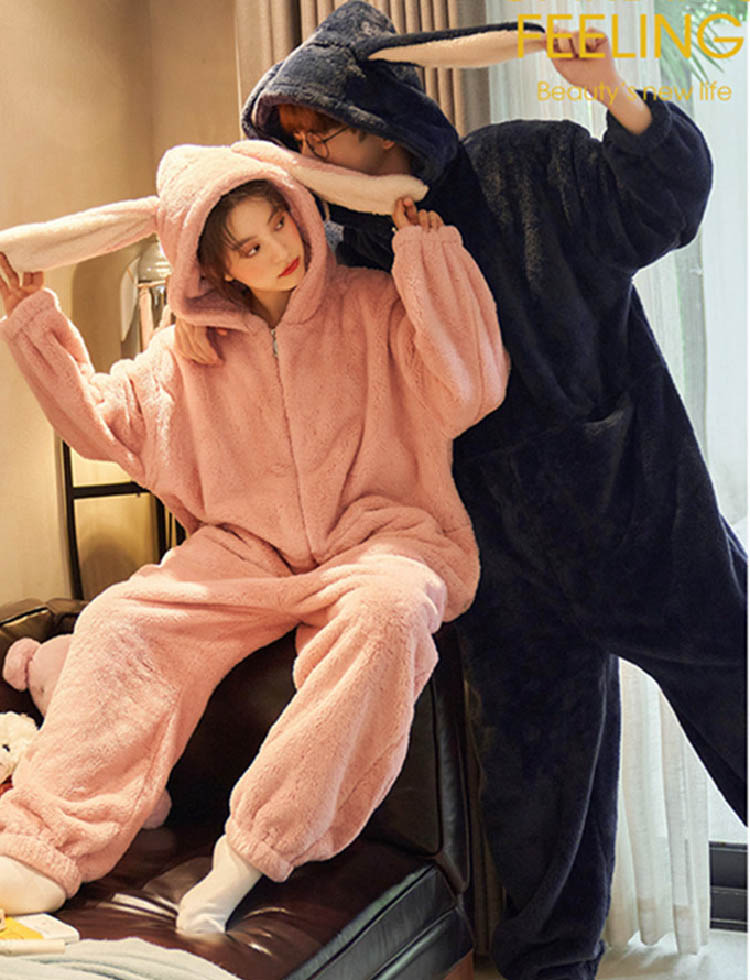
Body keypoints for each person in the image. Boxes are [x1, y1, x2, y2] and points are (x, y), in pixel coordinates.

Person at [210, 4, 744, 978]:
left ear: (376, 108)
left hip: (639, 519)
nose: (309, 146)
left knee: (739, 697)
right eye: (294, 137)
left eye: (321, 125)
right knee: (538, 805)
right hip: (501, 569)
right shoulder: (344, 256)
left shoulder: (522, 166)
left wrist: (612, 93)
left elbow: (666, 199)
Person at [0, 140, 510, 934]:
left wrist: (429, 255)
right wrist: (32, 320)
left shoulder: (373, 306)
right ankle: (41, 843)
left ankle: (251, 852)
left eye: (280, 222)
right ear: (216, 267)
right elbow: (100, 424)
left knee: (393, 609)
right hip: (245, 552)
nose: (281, 249)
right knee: (119, 621)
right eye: (249, 246)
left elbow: (471, 386)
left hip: (377, 537)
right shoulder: (187, 352)